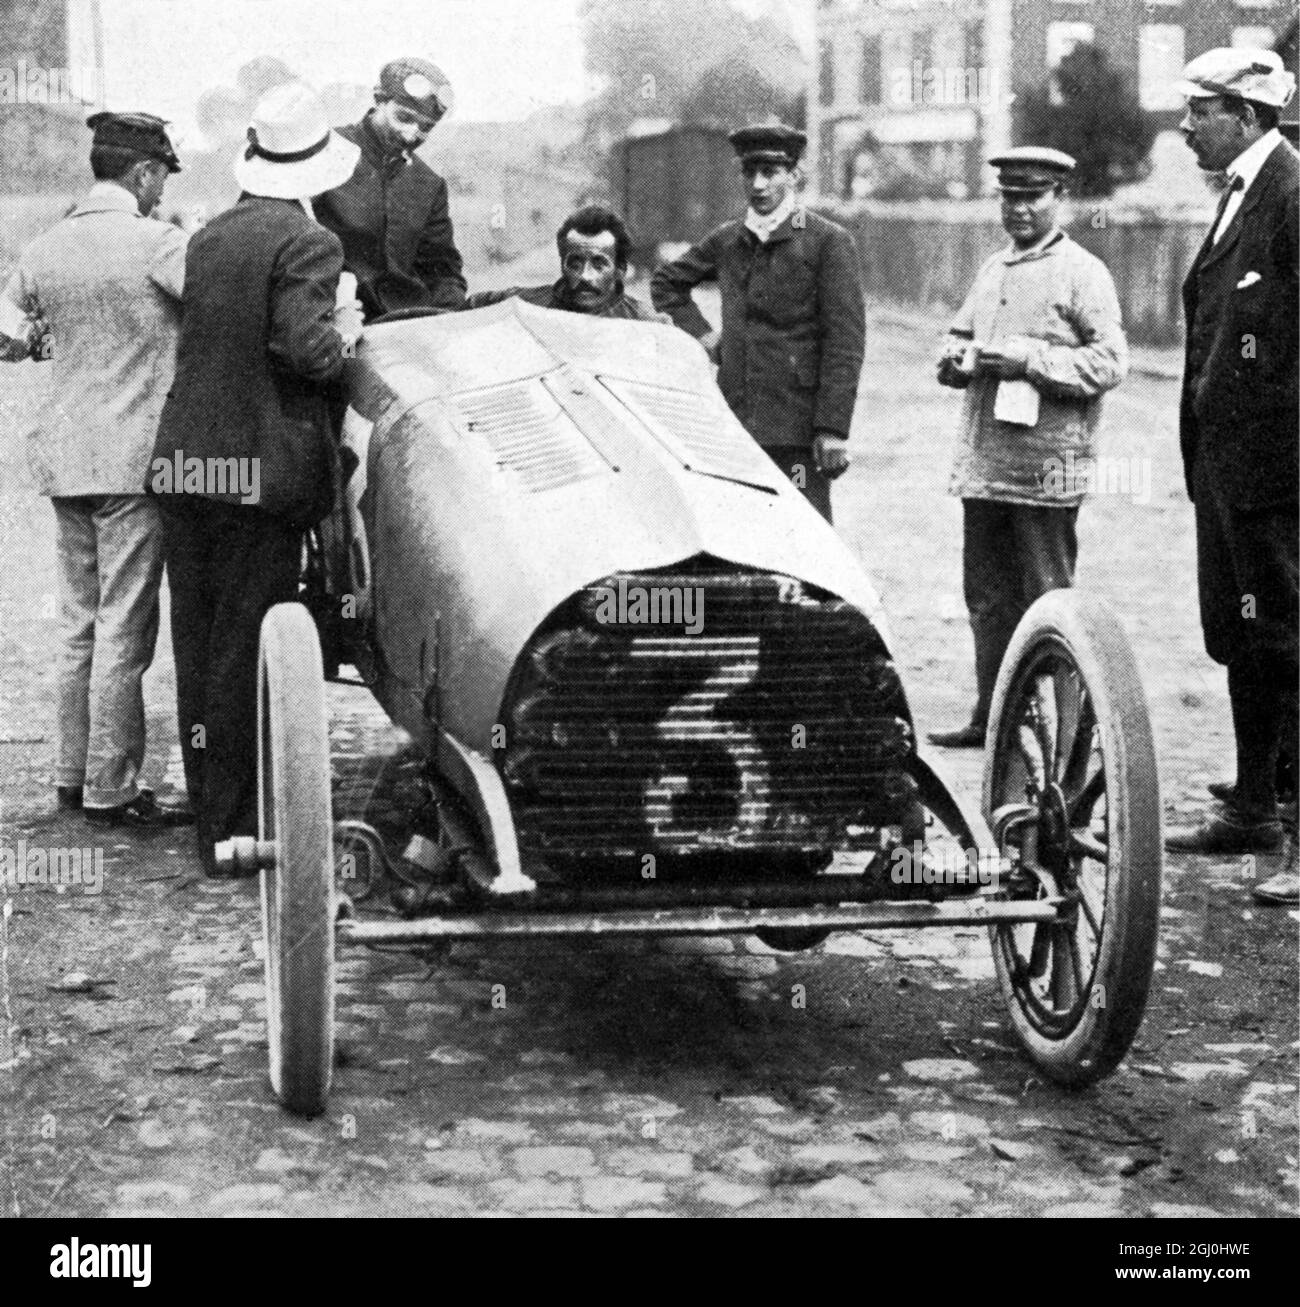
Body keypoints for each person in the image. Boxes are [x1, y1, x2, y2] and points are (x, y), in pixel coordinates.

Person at [149, 82, 363, 876]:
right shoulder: (309, 244)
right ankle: (237, 827)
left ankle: (210, 810)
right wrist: (346, 339)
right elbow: (304, 351)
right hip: (255, 473)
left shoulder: (210, 235)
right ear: (313, 167)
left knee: (198, 641)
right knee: (246, 642)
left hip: (185, 460)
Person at [0, 112, 192, 827]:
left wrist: (56, 339)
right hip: (132, 465)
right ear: (143, 174)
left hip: (64, 460)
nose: (160, 188)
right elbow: (213, 315)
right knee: (125, 631)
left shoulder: (44, 248)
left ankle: (68, 775)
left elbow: (6, 338)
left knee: (77, 625)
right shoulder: (160, 243)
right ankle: (113, 788)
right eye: (161, 176)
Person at [928, 147, 1128, 749]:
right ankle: (993, 721)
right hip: (986, 469)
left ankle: (1067, 739)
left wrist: (1031, 359)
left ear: (1058, 199)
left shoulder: (1082, 272)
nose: (1018, 209)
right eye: (1009, 197)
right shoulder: (993, 269)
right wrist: (953, 359)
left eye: (1031, 197)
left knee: (1051, 605)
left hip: (1047, 471)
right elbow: (959, 334)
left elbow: (1112, 362)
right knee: (987, 601)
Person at [1161, 49, 1299, 907]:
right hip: (1226, 468)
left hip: (1277, 472)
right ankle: (1253, 806)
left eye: (1200, 110)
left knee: (1290, 641)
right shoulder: (1242, 195)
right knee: (1240, 634)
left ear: (1246, 117)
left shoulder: (1291, 194)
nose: (1185, 125)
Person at [650, 123, 865, 522]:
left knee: (805, 526)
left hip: (797, 430)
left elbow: (845, 342)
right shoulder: (728, 239)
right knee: (741, 527)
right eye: (750, 172)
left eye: (771, 172)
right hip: (735, 421)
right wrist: (707, 337)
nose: (759, 184)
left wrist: (833, 427)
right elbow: (667, 283)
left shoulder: (826, 241)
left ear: (794, 175)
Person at [313, 57, 466, 320]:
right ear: (378, 100)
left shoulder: (428, 184)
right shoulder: (323, 152)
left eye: (425, 128)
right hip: (334, 322)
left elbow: (442, 271)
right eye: (404, 118)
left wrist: (449, 320)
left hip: (403, 327)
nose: (411, 135)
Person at [465, 205, 667, 321]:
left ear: (620, 270)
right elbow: (462, 311)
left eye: (599, 265)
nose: (585, 276)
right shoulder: (526, 303)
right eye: (575, 264)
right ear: (562, 265)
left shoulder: (644, 321)